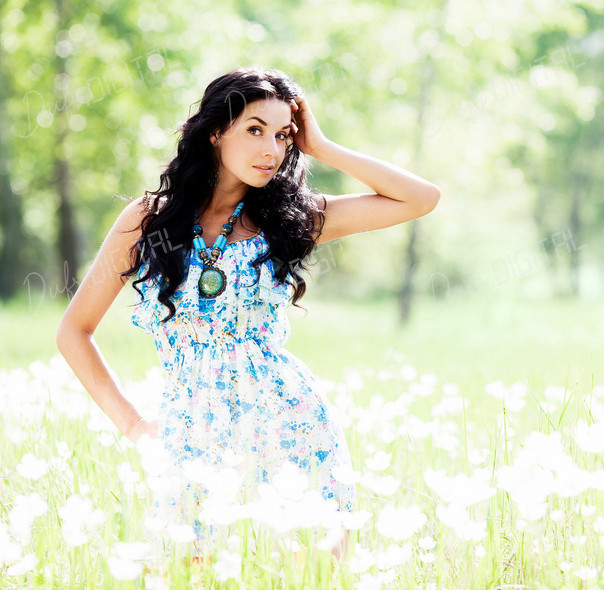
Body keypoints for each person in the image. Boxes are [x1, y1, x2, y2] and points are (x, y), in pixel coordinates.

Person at [55, 66, 441, 571]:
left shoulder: (290, 218)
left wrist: (321, 146)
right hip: (192, 428)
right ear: (216, 132)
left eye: (283, 136)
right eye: (255, 129)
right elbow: (73, 332)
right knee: (186, 570)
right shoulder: (149, 220)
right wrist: (133, 426)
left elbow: (421, 198)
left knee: (303, 573)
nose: (272, 149)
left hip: (290, 424)